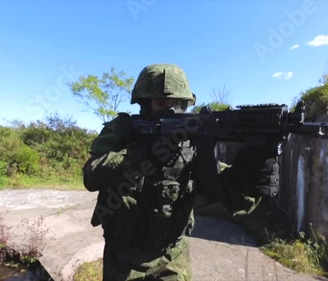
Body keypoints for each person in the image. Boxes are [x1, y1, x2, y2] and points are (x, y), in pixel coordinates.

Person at [82, 63, 279, 281]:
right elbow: (92, 174)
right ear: (144, 105)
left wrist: (247, 175)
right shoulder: (123, 129)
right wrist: (143, 154)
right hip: (124, 257)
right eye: (160, 104)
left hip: (172, 256)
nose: (169, 111)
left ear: (186, 105)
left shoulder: (190, 142)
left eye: (176, 104)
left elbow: (217, 189)